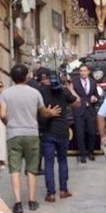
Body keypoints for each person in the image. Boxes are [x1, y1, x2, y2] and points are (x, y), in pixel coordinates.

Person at [0, 65, 43, 213]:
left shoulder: (5, 93)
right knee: (32, 169)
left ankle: (18, 203)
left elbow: (2, 114)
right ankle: (32, 200)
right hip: (32, 132)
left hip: (14, 133)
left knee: (15, 169)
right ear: (27, 76)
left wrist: (9, 124)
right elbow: (42, 111)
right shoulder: (35, 93)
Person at [36, 67, 73, 203]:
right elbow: (76, 101)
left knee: (49, 163)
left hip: (47, 130)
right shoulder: (63, 90)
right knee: (63, 160)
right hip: (62, 130)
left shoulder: (40, 91)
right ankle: (63, 190)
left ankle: (50, 193)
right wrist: (69, 86)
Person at [70, 64, 101, 160]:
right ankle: (82, 154)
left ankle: (90, 152)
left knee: (92, 133)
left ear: (88, 72)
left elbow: (96, 94)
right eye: (81, 71)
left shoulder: (92, 82)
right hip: (79, 110)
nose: (83, 73)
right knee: (80, 134)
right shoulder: (75, 83)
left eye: (84, 71)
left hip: (90, 111)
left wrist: (95, 98)